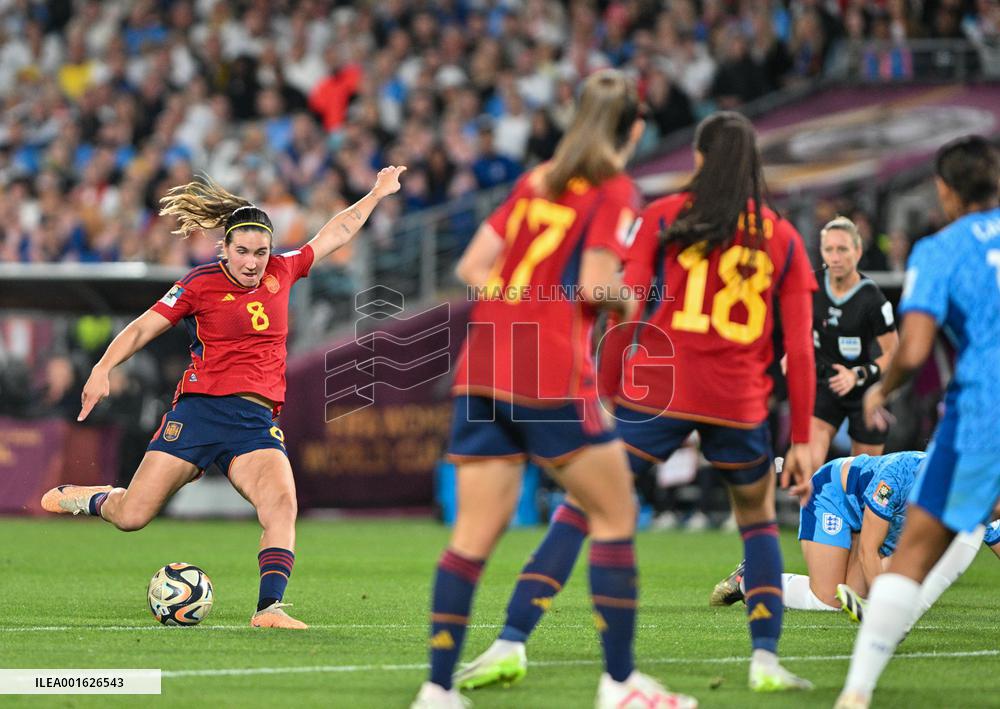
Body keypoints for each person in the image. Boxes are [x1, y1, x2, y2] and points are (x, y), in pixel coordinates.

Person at [454, 111, 817, 696]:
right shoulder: (782, 235)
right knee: (757, 524)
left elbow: (630, 311)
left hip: (660, 387)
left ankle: (510, 641)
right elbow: (798, 346)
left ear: (697, 159)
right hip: (739, 398)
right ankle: (766, 662)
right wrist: (801, 436)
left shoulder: (662, 214)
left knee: (581, 507)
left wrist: (608, 392)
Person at [410, 69, 697, 709]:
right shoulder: (615, 188)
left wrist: (520, 304)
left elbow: (472, 267)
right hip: (548, 376)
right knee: (615, 514)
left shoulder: (536, 179)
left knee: (471, 540)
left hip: (482, 368)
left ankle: (435, 691)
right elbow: (598, 284)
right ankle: (620, 686)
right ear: (637, 129)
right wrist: (629, 302)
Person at [40, 166, 406, 630]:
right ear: (225, 249)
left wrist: (375, 193)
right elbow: (142, 327)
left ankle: (268, 609)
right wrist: (102, 367)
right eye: (243, 252)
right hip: (198, 413)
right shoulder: (199, 283)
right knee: (132, 515)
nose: (253, 262)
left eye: (261, 251)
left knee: (281, 505)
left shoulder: (283, 270)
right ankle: (87, 499)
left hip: (253, 422)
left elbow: (339, 230)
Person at [835, 136, 1000, 709]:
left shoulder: (941, 249)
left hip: (984, 416)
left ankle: (855, 693)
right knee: (979, 525)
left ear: (945, 190)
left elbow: (914, 348)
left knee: (912, 554)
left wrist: (881, 387)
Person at [711, 452, 924, 611]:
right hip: (833, 497)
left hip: (869, 514)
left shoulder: (949, 488)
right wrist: (887, 612)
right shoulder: (896, 477)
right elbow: (869, 551)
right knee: (829, 601)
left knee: (853, 597)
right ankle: (749, 579)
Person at [810, 216, 899, 468]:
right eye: (829, 250)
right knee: (808, 466)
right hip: (826, 384)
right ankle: (813, 507)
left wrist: (857, 375)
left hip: (866, 390)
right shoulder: (810, 287)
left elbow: (893, 352)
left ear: (858, 251)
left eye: (842, 249)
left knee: (863, 480)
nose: (835, 257)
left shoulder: (872, 299)